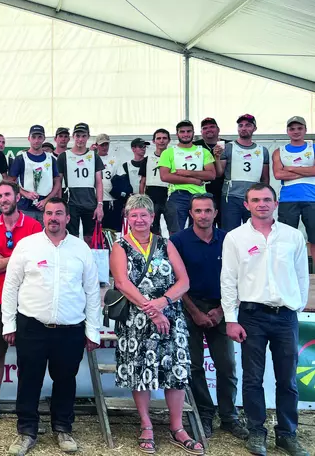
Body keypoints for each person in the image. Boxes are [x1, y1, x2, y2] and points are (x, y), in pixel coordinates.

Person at [2, 197, 101, 455]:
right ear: (42, 217)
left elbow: (92, 292)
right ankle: (26, 431)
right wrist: (8, 324)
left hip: (70, 329)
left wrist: (92, 330)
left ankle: (63, 428)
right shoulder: (27, 246)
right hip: (32, 326)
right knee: (29, 380)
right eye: (49, 213)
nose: (53, 218)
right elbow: (10, 287)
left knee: (66, 380)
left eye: (59, 213)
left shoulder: (81, 249)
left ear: (68, 218)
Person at [110, 194, 203, 455]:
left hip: (170, 317)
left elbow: (184, 282)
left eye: (144, 214)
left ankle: (177, 427)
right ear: (127, 219)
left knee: (176, 371)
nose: (139, 219)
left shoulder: (166, 244)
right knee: (141, 372)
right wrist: (151, 310)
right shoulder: (120, 246)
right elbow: (122, 283)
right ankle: (146, 425)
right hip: (137, 320)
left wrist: (162, 303)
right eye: (134, 215)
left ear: (153, 217)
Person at [221, 184, 310, 456]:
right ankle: (257, 432)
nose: (262, 204)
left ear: (276, 203)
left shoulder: (293, 236)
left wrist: (296, 306)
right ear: (246, 205)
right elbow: (228, 280)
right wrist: (230, 319)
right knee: (252, 379)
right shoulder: (235, 237)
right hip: (252, 316)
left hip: (285, 316)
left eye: (267, 199)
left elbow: (302, 277)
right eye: (256, 200)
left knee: (287, 380)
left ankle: (287, 434)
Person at [170, 194, 248, 440]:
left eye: (207, 210)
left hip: (221, 309)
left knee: (227, 366)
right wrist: (195, 312)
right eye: (198, 211)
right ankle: (203, 414)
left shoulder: (229, 240)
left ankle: (229, 416)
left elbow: (239, 279)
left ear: (216, 213)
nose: (203, 215)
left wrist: (222, 310)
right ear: (190, 214)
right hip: (188, 308)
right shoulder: (177, 241)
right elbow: (174, 281)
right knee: (193, 366)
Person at [0, 181, 41, 428]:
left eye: (7, 194)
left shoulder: (35, 226)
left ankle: (26, 405)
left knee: (28, 356)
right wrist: (17, 259)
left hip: (27, 299)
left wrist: (4, 260)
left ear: (17, 196)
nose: (3, 199)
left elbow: (35, 263)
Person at [159, 120, 215, 233]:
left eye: (188, 131)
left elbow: (211, 174)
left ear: (193, 133)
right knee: (175, 232)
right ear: (177, 134)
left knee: (200, 231)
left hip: (200, 196)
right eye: (182, 131)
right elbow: (164, 176)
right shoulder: (168, 152)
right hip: (178, 194)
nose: (186, 134)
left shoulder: (203, 151)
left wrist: (187, 172)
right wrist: (193, 180)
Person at [216, 114, 270, 231]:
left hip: (253, 197)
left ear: (254, 128)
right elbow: (219, 173)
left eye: (248, 125)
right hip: (231, 197)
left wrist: (265, 197)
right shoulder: (228, 147)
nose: (243, 128)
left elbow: (265, 178)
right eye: (240, 125)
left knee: (254, 231)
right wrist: (217, 157)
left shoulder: (262, 150)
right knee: (229, 232)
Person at [272, 115, 315, 257]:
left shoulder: (312, 147)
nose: (296, 131)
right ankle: (286, 274)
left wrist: (290, 168)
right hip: (288, 199)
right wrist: (306, 171)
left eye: (299, 128)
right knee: (286, 240)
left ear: (305, 130)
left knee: (314, 240)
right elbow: (278, 174)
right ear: (287, 131)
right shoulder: (279, 151)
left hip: (312, 198)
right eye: (292, 129)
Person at [57, 122, 104, 240]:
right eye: (78, 136)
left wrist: (100, 205)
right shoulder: (63, 156)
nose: (80, 139)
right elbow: (58, 182)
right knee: (72, 238)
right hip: (71, 202)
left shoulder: (94, 156)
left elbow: (99, 182)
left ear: (88, 137)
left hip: (90, 202)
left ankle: (88, 258)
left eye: (83, 136)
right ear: (73, 136)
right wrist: (58, 204)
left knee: (90, 238)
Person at [8, 125, 60, 223]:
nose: (36, 140)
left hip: (45, 207)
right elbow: (11, 182)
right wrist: (25, 193)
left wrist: (47, 200)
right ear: (29, 138)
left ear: (44, 138)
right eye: (34, 137)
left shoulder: (51, 159)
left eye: (40, 137)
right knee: (25, 237)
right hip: (25, 207)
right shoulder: (20, 158)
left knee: (45, 237)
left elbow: (57, 182)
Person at [139, 129, 171, 235]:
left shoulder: (174, 158)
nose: (161, 141)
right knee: (153, 228)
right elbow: (142, 182)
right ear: (154, 141)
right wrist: (142, 200)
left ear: (169, 141)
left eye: (164, 138)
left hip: (169, 196)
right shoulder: (147, 159)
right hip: (152, 196)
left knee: (173, 228)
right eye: (158, 138)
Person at [195, 117, 225, 227]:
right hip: (201, 191)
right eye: (205, 128)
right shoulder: (195, 146)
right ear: (201, 132)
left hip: (223, 192)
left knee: (223, 225)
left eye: (212, 127)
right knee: (202, 224)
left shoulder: (228, 144)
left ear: (218, 129)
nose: (209, 130)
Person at [94, 133, 121, 232]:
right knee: (97, 232)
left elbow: (121, 180)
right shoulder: (91, 159)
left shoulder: (115, 160)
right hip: (96, 201)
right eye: (102, 145)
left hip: (112, 201)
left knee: (113, 232)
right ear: (96, 145)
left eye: (106, 144)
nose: (104, 147)